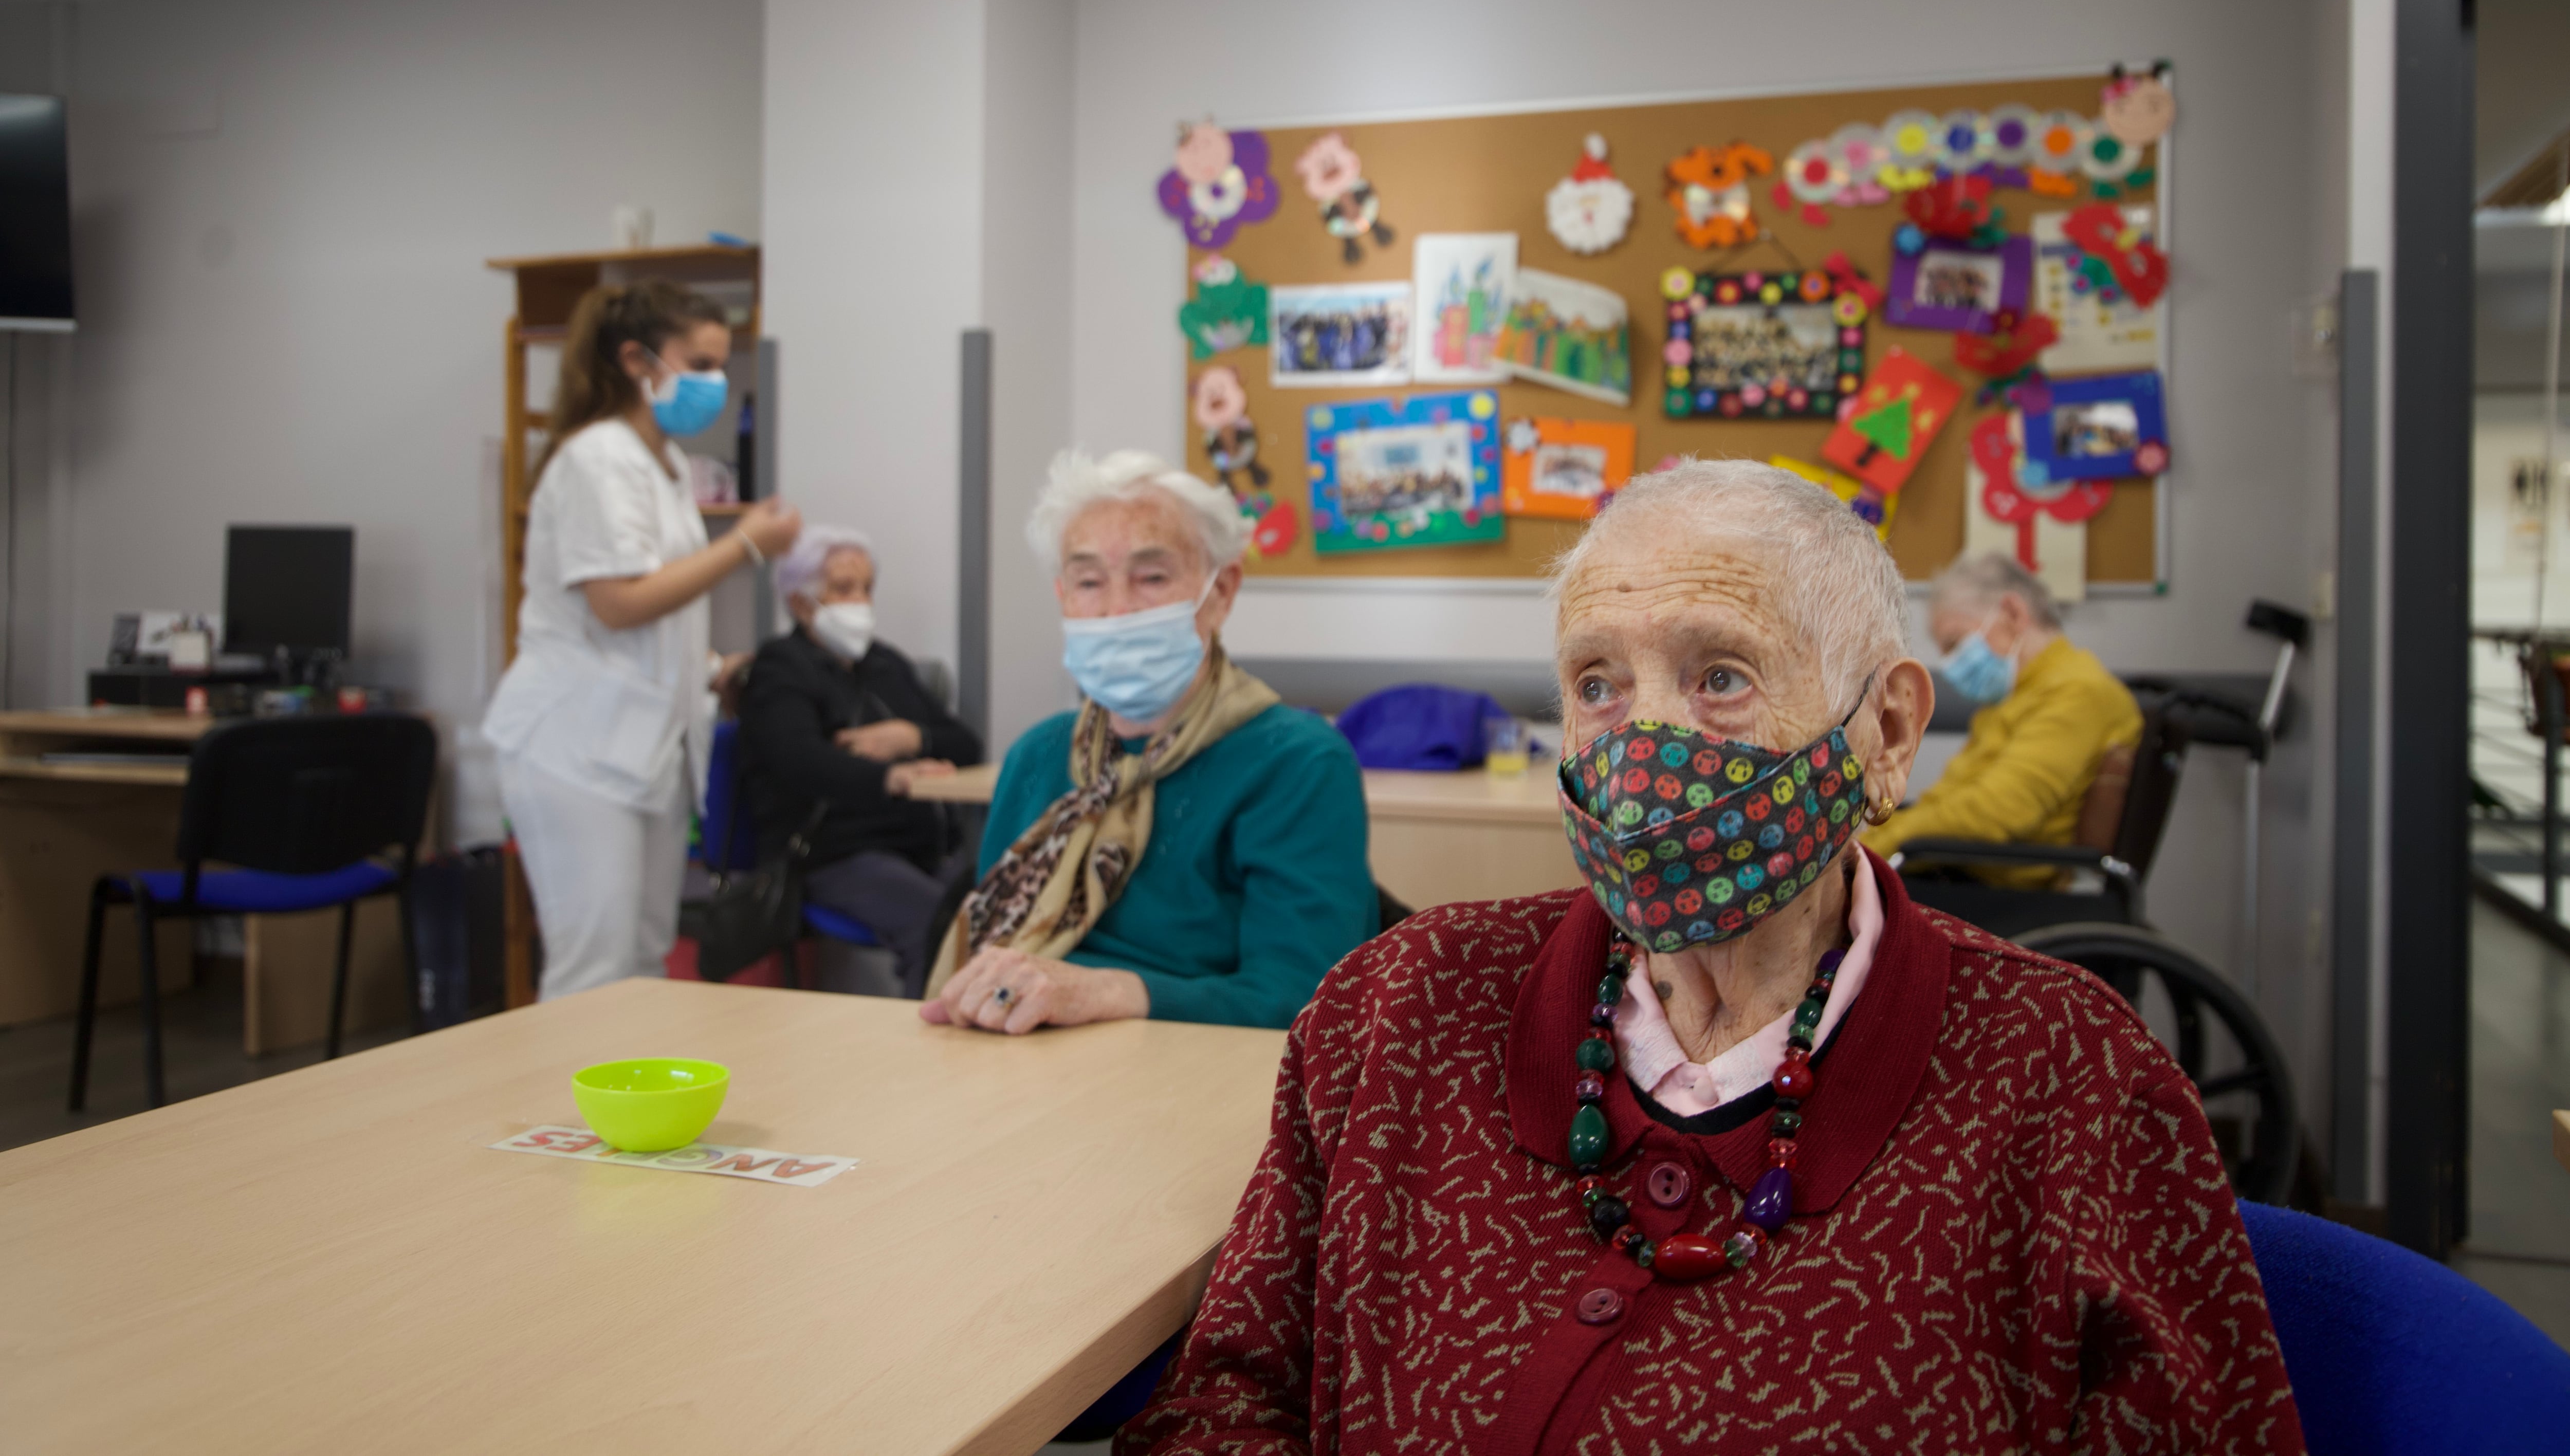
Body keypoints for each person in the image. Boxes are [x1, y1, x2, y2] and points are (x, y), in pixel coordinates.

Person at [1123, 460, 2300, 1454]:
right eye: (1597, 684)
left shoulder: (2073, 1077)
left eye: (1720, 678)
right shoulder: (1393, 1011)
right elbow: (1225, 1393)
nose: (1643, 747)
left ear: (1886, 730)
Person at [920, 449, 1378, 1034]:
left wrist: (1106, 992)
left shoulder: (1296, 762)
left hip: (1193, 1082)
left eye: (1152, 577)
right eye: (1089, 581)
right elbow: (992, 952)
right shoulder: (1037, 756)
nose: (1115, 609)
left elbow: (1303, 1002)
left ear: (1220, 592)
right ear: (1064, 598)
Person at [483, 281, 800, 999]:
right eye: (698, 362)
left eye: (721, 365)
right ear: (636, 359)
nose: (713, 383)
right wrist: (746, 545)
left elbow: (657, 613)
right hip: (575, 748)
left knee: (646, 964)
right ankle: (563, 1115)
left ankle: (630, 1115)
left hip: (645, 750)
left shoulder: (662, 464)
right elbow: (619, 603)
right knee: (594, 968)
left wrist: (709, 665)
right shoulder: (597, 458)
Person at [736, 526, 983, 996]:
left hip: (918, 847)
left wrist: (913, 735)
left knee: (996, 906)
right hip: (831, 853)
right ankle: (932, 1049)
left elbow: (965, 744)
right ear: (802, 602)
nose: (860, 602)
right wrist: (890, 777)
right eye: (844, 589)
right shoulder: (780, 668)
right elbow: (801, 761)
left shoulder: (883, 664)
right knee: (939, 923)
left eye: (867, 589)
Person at [1869, 550, 2143, 889]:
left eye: (1956, 643)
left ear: (2013, 613)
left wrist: (1873, 849)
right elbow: (1953, 799)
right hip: (1964, 872)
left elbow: (1994, 813)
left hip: (2005, 890)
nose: (1952, 664)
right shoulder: (2018, 695)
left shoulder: (2079, 692)